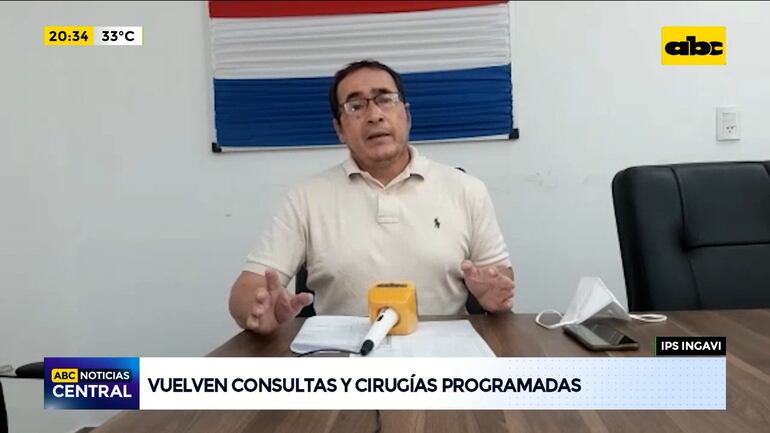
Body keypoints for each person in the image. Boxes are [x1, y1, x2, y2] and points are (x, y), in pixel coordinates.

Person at [229, 60, 514, 335]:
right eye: (355, 106)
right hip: (343, 357)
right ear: (339, 129)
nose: (375, 115)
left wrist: (493, 293)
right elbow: (247, 289)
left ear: (407, 116)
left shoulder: (466, 189)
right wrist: (256, 309)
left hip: (444, 355)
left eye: (385, 99)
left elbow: (499, 275)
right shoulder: (305, 197)